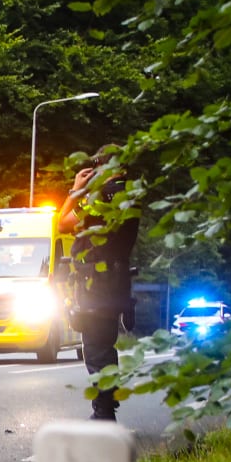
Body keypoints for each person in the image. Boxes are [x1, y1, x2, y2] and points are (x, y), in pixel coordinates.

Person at [58, 166, 140, 420]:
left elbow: (64, 223)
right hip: (117, 285)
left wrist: (75, 191)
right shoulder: (131, 197)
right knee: (106, 346)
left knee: (96, 350)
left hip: (95, 287)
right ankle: (107, 407)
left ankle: (103, 412)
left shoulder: (100, 200)